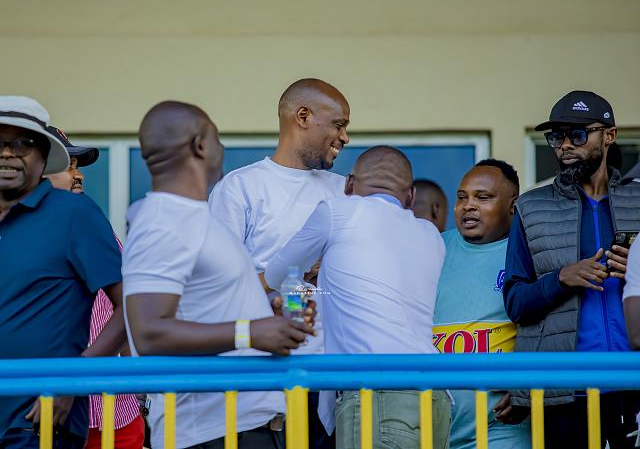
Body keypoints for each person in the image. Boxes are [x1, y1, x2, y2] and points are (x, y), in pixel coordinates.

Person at [123, 101, 315, 449]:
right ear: (201, 145)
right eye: (218, 138)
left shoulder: (195, 219)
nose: (222, 148)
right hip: (213, 433)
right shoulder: (164, 220)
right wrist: (251, 332)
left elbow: (202, 310)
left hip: (246, 426)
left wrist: (271, 316)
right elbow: (149, 332)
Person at [265, 146, 451, 449]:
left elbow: (276, 275)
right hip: (435, 394)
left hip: (378, 393)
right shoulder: (431, 236)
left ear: (349, 185)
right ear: (410, 196)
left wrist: (308, 276)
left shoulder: (337, 211)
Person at [209, 78, 350, 448]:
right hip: (264, 381)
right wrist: (290, 271)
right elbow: (216, 295)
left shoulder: (345, 191)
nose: (345, 137)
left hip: (336, 380)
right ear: (303, 117)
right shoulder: (240, 188)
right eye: (338, 125)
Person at [503, 90, 640, 449]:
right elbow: (515, 302)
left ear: (609, 135)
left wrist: (638, 271)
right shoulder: (530, 208)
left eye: (577, 135)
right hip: (565, 390)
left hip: (634, 383)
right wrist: (561, 279)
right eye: (557, 136)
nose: (565, 145)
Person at [0, 96, 126, 448]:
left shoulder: (74, 213)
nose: (7, 153)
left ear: (43, 155)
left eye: (22, 143)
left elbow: (130, 305)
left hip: (35, 423)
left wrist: (73, 380)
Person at [44, 126, 145, 449]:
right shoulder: (16, 236)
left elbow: (125, 308)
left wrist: (139, 393)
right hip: (43, 413)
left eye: (77, 167)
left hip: (116, 412)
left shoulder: (97, 229)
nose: (79, 176)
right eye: (68, 167)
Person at [433, 159, 530, 449]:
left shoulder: (530, 252)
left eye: (482, 197)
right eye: (462, 197)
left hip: (501, 425)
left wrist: (525, 387)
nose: (468, 206)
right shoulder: (433, 246)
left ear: (513, 205)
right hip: (434, 424)